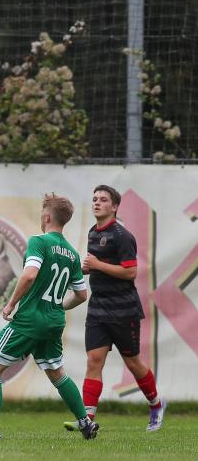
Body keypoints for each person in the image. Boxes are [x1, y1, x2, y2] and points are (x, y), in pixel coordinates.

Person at [0, 193, 98, 441]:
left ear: (46, 216)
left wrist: (11, 303)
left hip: (30, 320)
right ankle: (85, 422)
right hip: (53, 322)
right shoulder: (72, 254)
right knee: (56, 373)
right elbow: (82, 295)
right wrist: (58, 308)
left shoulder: (39, 242)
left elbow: (29, 275)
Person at [63, 185, 165, 433]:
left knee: (133, 363)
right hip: (98, 307)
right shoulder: (92, 233)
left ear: (115, 206)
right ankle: (88, 421)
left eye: (103, 199)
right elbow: (97, 265)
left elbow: (130, 271)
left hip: (123, 310)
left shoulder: (122, 235)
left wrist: (97, 264)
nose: (97, 202)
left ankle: (156, 404)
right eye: (94, 199)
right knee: (94, 361)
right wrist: (84, 269)